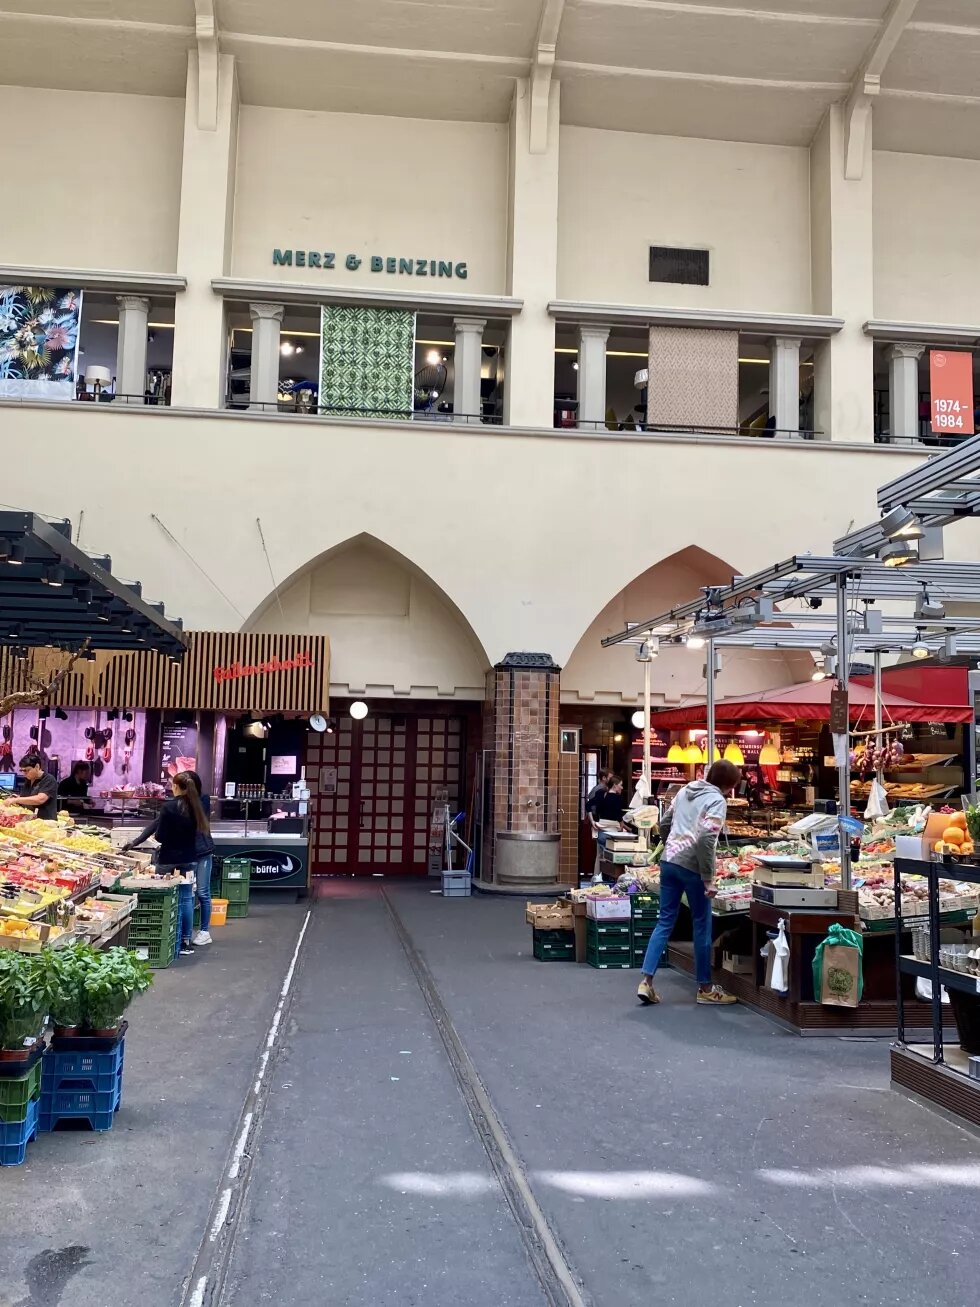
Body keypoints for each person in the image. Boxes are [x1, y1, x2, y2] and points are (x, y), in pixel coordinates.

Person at [636, 760, 741, 1007]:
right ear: (728, 785)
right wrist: (708, 878)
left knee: (664, 921)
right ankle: (705, 987)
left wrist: (671, 843)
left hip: (669, 861)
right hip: (693, 868)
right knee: (702, 924)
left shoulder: (685, 790)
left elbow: (664, 822)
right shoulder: (717, 801)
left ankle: (646, 981)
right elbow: (706, 838)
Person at [122, 771, 212, 957]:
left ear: (177, 787)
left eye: (172, 784)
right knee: (188, 898)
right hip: (190, 858)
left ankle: (160, 937)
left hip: (168, 859)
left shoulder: (169, 806)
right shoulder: (197, 804)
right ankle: (185, 941)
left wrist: (137, 842)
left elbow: (160, 834)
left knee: (163, 896)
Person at [185, 770, 214, 947]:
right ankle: (186, 933)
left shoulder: (202, 800)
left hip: (202, 850)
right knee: (188, 893)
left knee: (202, 892)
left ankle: (204, 931)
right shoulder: (179, 803)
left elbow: (195, 820)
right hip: (188, 852)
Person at [592, 775, 625, 880]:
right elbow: (618, 815)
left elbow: (596, 811)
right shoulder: (617, 798)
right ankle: (608, 881)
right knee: (612, 859)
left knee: (602, 858)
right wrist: (622, 824)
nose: (622, 787)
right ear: (615, 786)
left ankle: (599, 879)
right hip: (612, 833)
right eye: (621, 785)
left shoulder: (603, 795)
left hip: (601, 831)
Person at [10, 753, 58, 821]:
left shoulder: (49, 779)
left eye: (27, 770)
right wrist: (18, 798)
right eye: (22, 771)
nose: (24, 773)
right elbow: (28, 798)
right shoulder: (28, 780)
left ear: (37, 766)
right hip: (30, 822)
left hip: (45, 824)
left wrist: (16, 800)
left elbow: (40, 799)